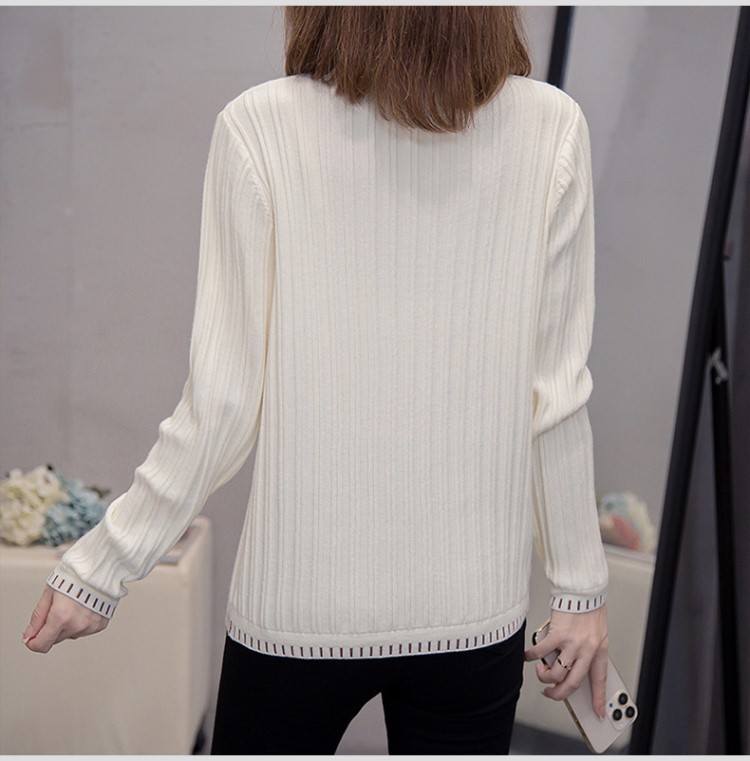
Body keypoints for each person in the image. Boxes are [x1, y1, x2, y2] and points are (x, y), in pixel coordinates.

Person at [22, 6, 610, 755]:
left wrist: (100, 569)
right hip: (474, 615)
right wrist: (580, 589)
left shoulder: (259, 127)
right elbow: (556, 394)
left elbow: (221, 407)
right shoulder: (552, 127)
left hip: (297, 614)